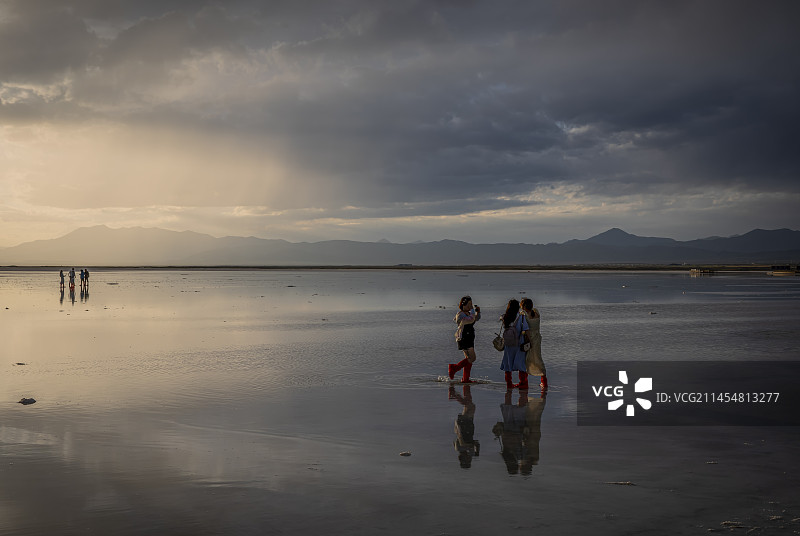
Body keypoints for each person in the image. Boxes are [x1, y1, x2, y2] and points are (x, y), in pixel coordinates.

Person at [448, 296, 481, 383]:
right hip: (464, 338)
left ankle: (465, 379)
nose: (471, 306)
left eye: (471, 304)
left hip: (469, 337)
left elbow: (475, 319)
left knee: (468, 359)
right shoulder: (460, 314)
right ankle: (454, 368)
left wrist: (478, 312)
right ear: (463, 304)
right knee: (472, 358)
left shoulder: (469, 313)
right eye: (469, 304)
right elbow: (470, 320)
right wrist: (473, 312)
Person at [499, 299, 529, 390]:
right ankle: (523, 383)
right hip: (519, 343)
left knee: (508, 364)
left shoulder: (505, 317)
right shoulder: (521, 317)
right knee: (521, 364)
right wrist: (529, 341)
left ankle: (509, 384)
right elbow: (526, 330)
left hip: (508, 344)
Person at [521, 298, 548, 390]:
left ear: (524, 306)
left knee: (526, 360)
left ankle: (524, 382)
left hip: (528, 339)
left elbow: (523, 328)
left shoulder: (524, 315)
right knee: (538, 358)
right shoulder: (536, 313)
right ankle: (544, 381)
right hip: (537, 338)